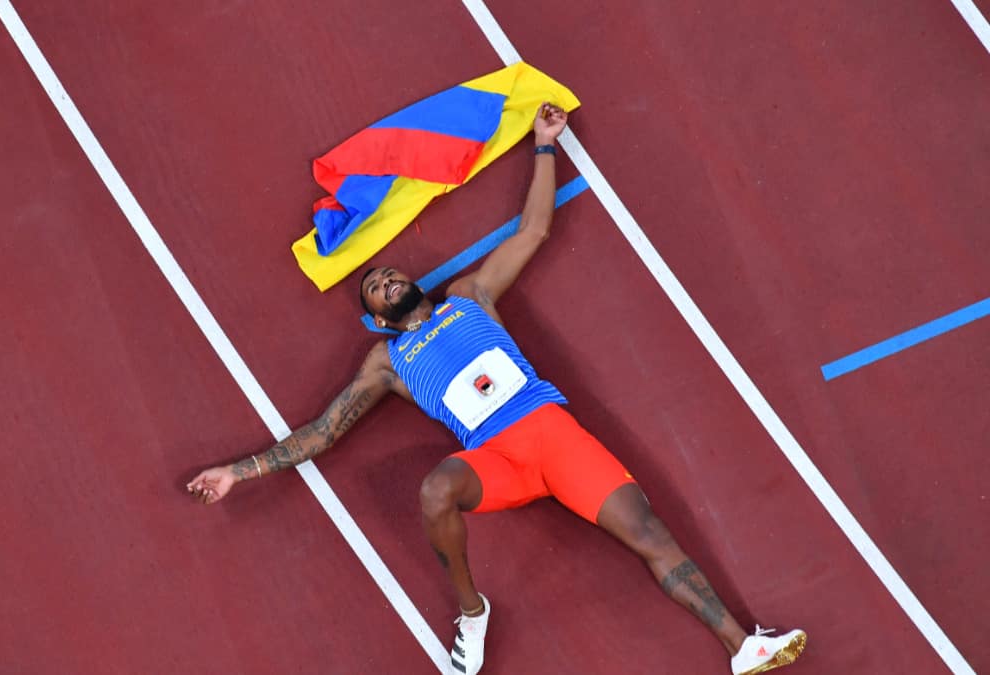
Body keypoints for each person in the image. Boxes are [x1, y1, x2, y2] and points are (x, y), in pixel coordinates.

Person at [187, 103, 806, 675]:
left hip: (554, 436)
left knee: (650, 535)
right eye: (375, 287)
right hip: (497, 457)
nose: (387, 280)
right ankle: (473, 613)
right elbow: (325, 432)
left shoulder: (469, 296)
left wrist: (544, 145)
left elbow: (533, 230)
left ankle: (744, 648)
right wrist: (239, 472)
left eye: (390, 273)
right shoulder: (387, 362)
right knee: (436, 489)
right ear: (376, 318)